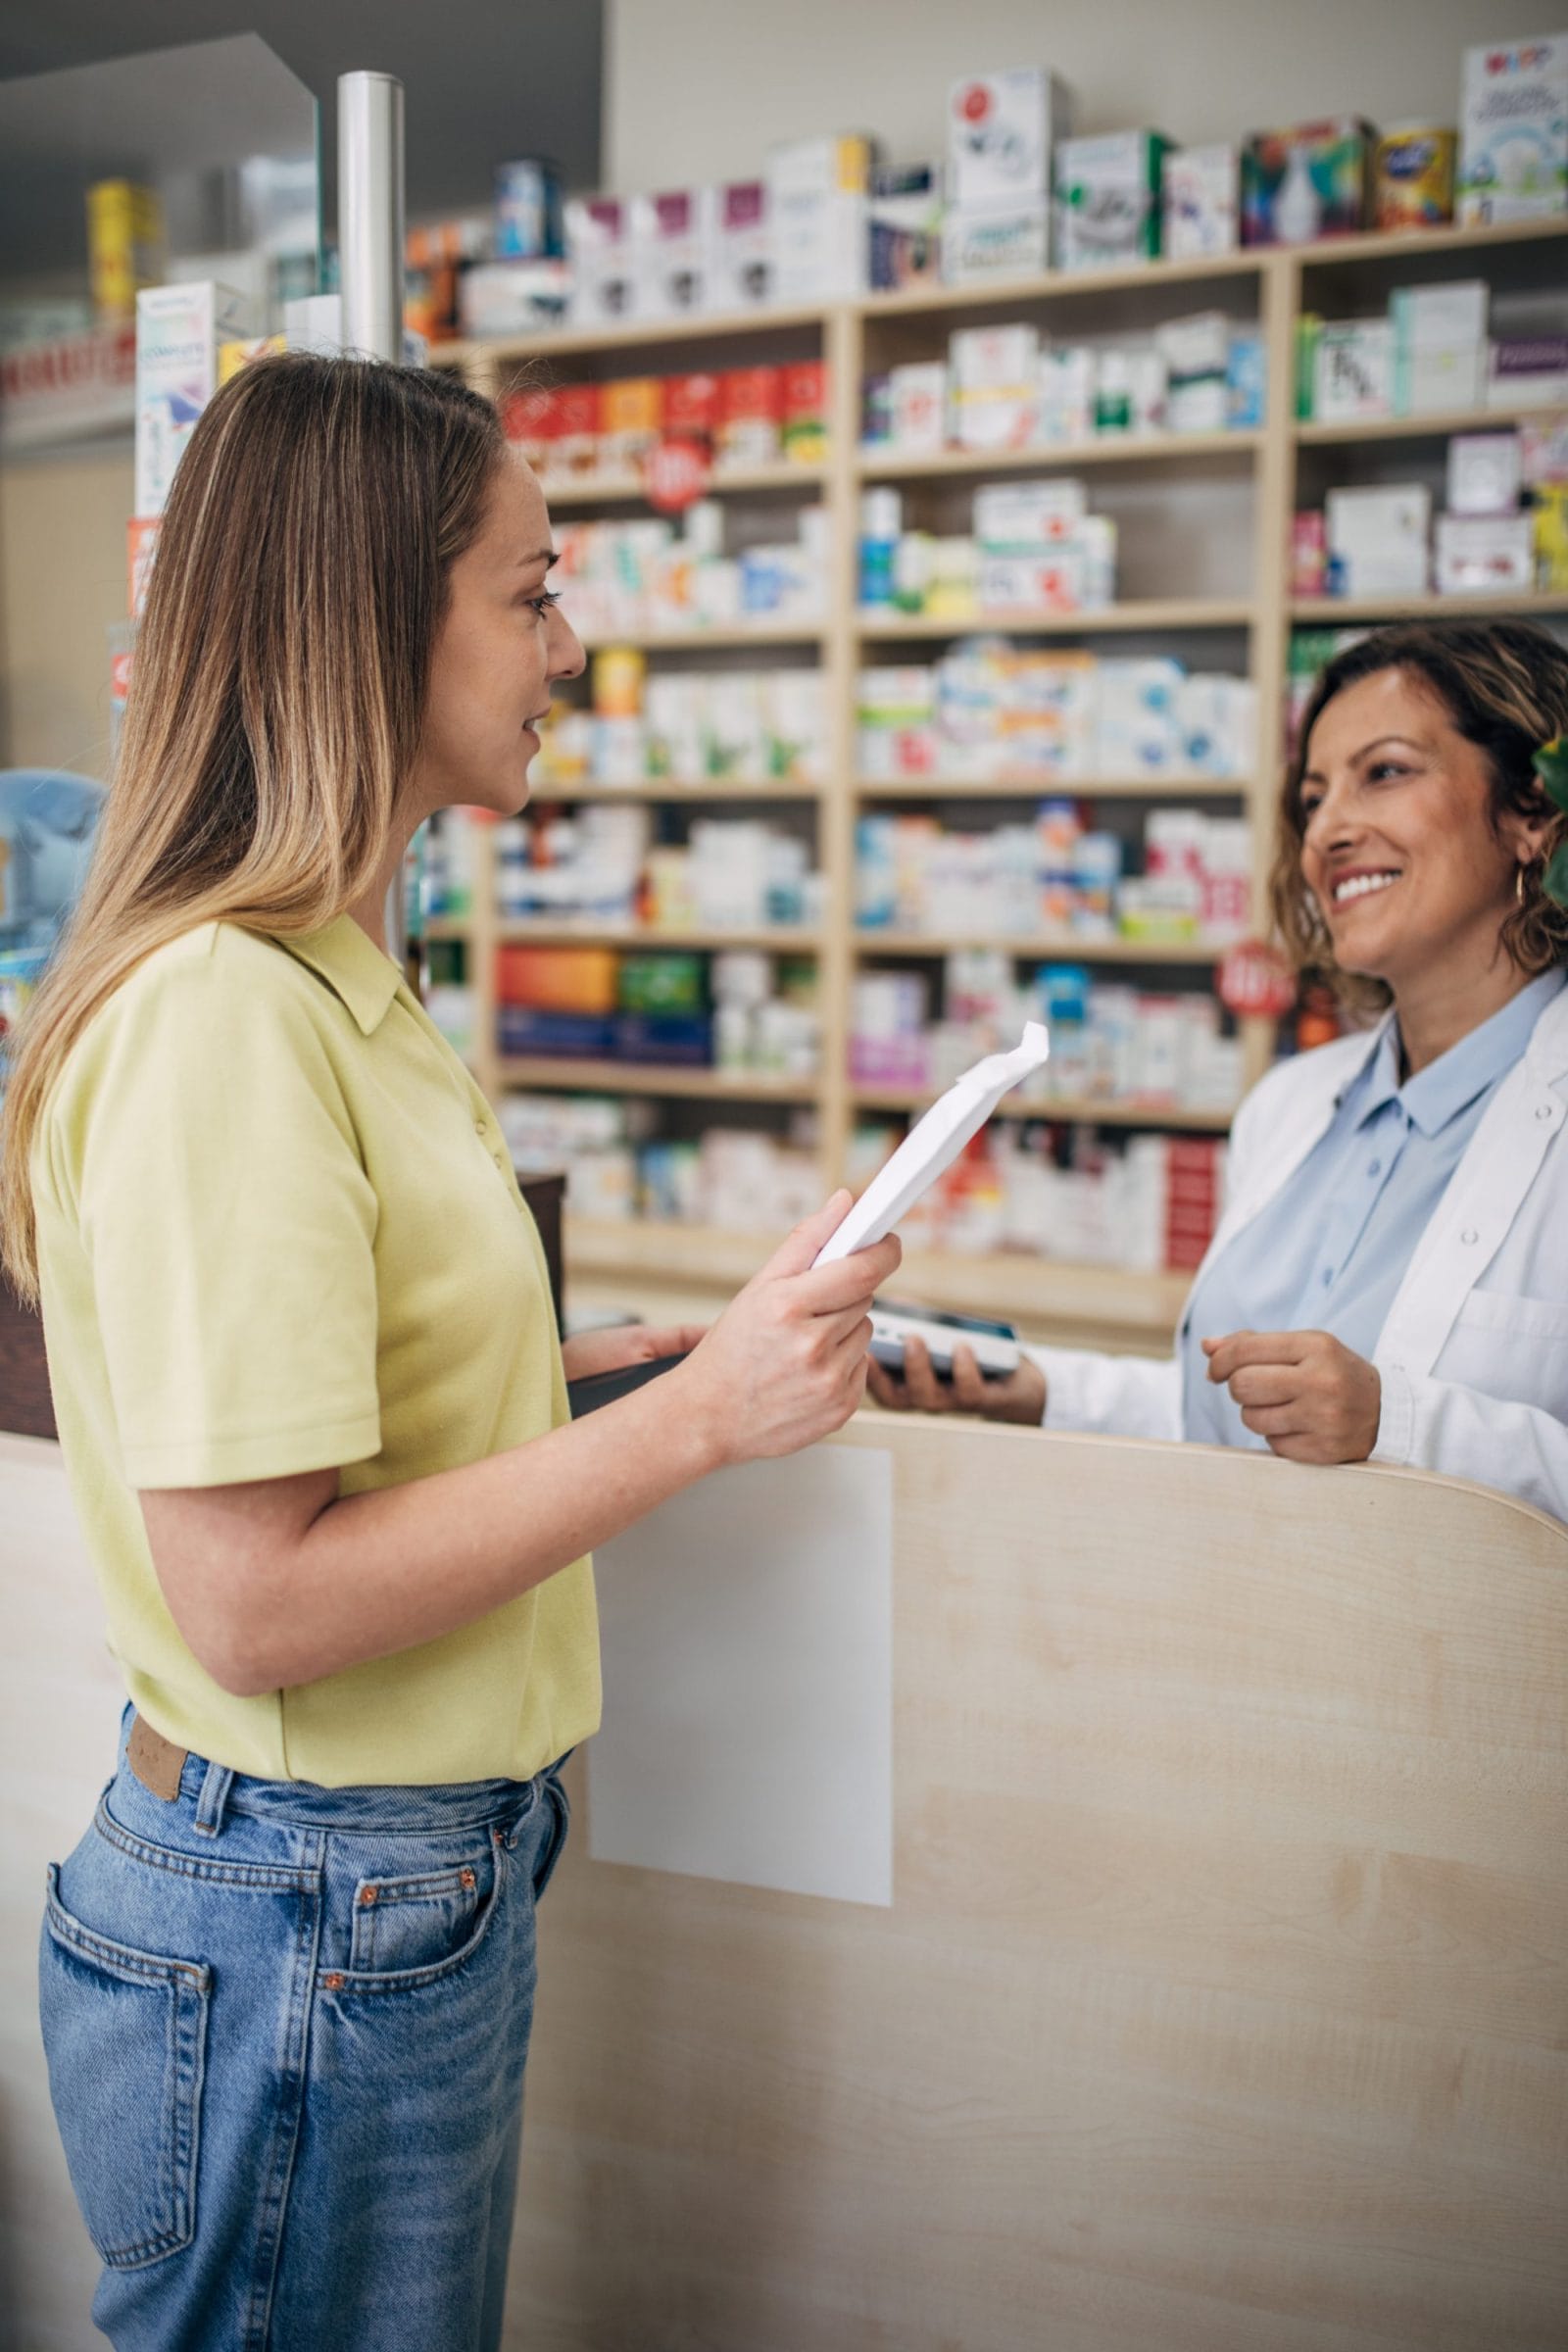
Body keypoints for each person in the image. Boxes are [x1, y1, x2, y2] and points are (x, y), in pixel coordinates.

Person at [0, 353, 899, 2352]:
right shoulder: (226, 1008)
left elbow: (326, 1415)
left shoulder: (339, 976)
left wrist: (569, 1377)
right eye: (530, 587)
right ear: (368, 619)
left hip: (381, 1891)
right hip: (307, 1911)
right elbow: (255, 1598)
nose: (567, 644)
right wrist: (694, 1428)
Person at [868, 619, 1568, 1524]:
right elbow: (1227, 1418)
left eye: (1384, 772)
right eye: (1312, 799)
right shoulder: (1290, 1108)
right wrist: (1032, 1389)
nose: (1328, 832)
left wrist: (1404, 1424)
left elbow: (1370, 1423)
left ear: (1532, 813)